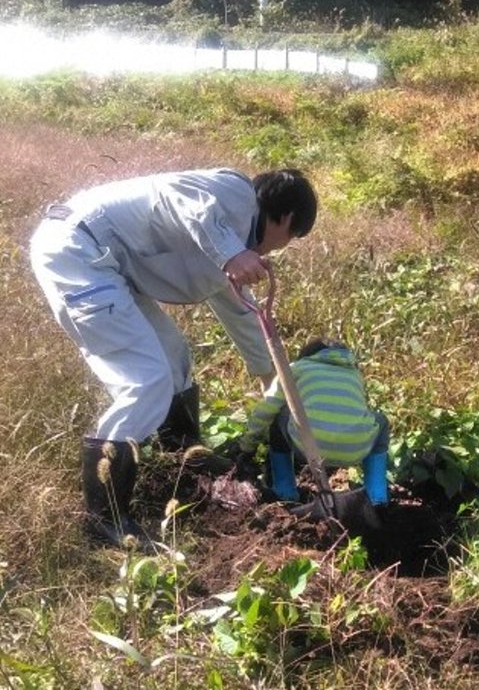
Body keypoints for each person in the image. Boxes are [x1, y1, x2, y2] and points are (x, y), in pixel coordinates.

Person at [29, 167, 318, 548]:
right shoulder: (233, 195)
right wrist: (231, 254)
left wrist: (273, 386)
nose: (276, 249)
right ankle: (105, 519)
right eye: (287, 240)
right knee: (145, 379)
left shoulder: (230, 239)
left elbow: (242, 315)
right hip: (77, 252)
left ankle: (184, 461)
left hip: (110, 267)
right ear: (286, 218)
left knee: (174, 358)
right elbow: (179, 197)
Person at [236, 338, 390, 510]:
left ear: (307, 355)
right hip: (355, 450)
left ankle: (285, 493)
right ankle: (376, 497)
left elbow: (266, 408)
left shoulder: (295, 369)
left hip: (307, 448)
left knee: (280, 414)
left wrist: (247, 447)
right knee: (381, 421)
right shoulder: (354, 374)